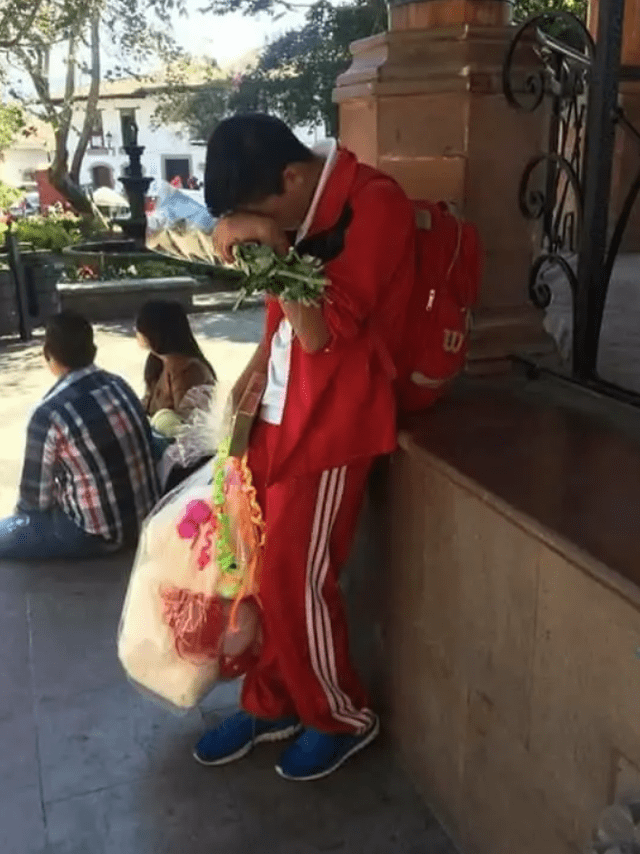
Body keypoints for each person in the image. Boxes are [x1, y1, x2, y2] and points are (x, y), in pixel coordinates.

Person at [192, 114, 416, 781]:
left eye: (255, 212)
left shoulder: (375, 203)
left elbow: (322, 333)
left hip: (336, 420)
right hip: (280, 409)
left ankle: (339, 715)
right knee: (257, 567)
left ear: (292, 177)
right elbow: (283, 326)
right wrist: (255, 369)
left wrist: (270, 246)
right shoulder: (299, 206)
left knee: (295, 576)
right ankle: (272, 701)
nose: (250, 225)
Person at [0, 311, 159, 561]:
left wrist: (19, 526)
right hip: (144, 519)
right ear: (92, 348)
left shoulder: (48, 414)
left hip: (96, 534)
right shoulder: (119, 384)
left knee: (8, 531)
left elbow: (33, 503)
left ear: (48, 354)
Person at [135, 300, 217, 490]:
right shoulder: (157, 361)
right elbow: (147, 401)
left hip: (182, 463)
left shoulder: (186, 369)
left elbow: (187, 425)